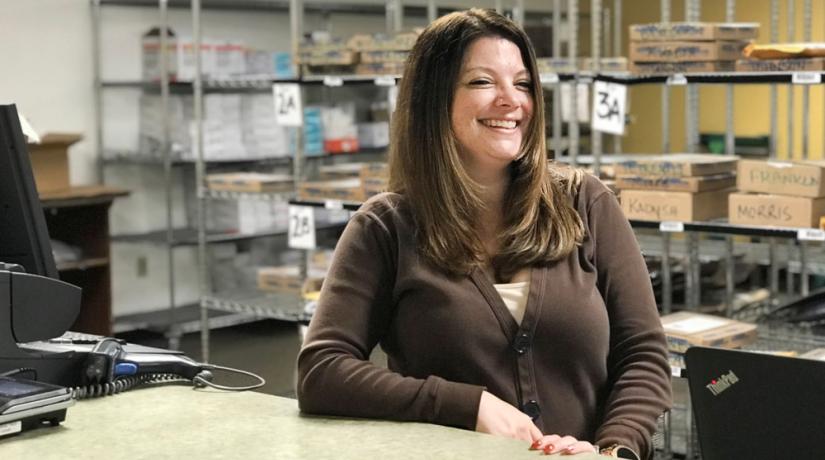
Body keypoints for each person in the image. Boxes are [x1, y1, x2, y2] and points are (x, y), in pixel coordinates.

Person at [297, 8, 671, 459]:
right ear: (433, 99)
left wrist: (615, 449)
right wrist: (466, 404)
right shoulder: (386, 227)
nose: (511, 100)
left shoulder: (585, 203)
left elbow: (643, 353)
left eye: (523, 83)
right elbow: (321, 371)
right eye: (481, 82)